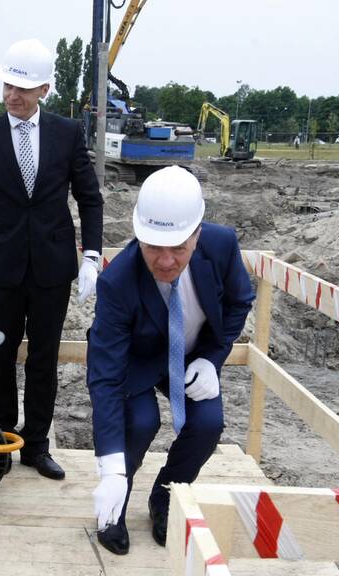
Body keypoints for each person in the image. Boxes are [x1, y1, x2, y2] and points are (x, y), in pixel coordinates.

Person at [0, 38, 103, 480]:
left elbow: (89, 198)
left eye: (23, 89)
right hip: (2, 269)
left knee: (45, 358)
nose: (13, 95)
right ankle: (1, 442)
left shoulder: (67, 134)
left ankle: (37, 446)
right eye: (8, 86)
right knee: (1, 356)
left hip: (51, 268)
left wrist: (92, 255)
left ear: (44, 89)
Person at [87, 166, 254, 553]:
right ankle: (116, 504)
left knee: (208, 424)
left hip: (193, 357)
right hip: (138, 360)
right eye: (152, 247)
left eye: (178, 248)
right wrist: (110, 467)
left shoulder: (222, 245)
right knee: (141, 422)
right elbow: (105, 376)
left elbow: (239, 303)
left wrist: (212, 359)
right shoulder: (117, 283)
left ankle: (165, 497)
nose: (165, 261)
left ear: (197, 234)